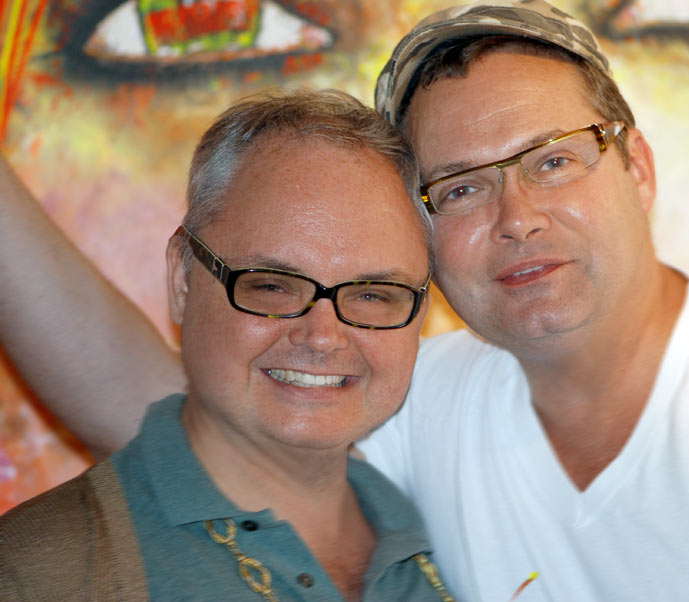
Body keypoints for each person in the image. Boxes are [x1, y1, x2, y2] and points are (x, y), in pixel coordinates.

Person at [2, 1, 689, 601]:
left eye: (553, 160)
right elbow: (180, 413)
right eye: (462, 187)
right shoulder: (423, 400)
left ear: (637, 168)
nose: (518, 216)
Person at [0, 89, 455, 602]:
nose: (323, 337)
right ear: (182, 279)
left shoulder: (455, 547)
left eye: (373, 294)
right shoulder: (37, 577)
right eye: (272, 286)